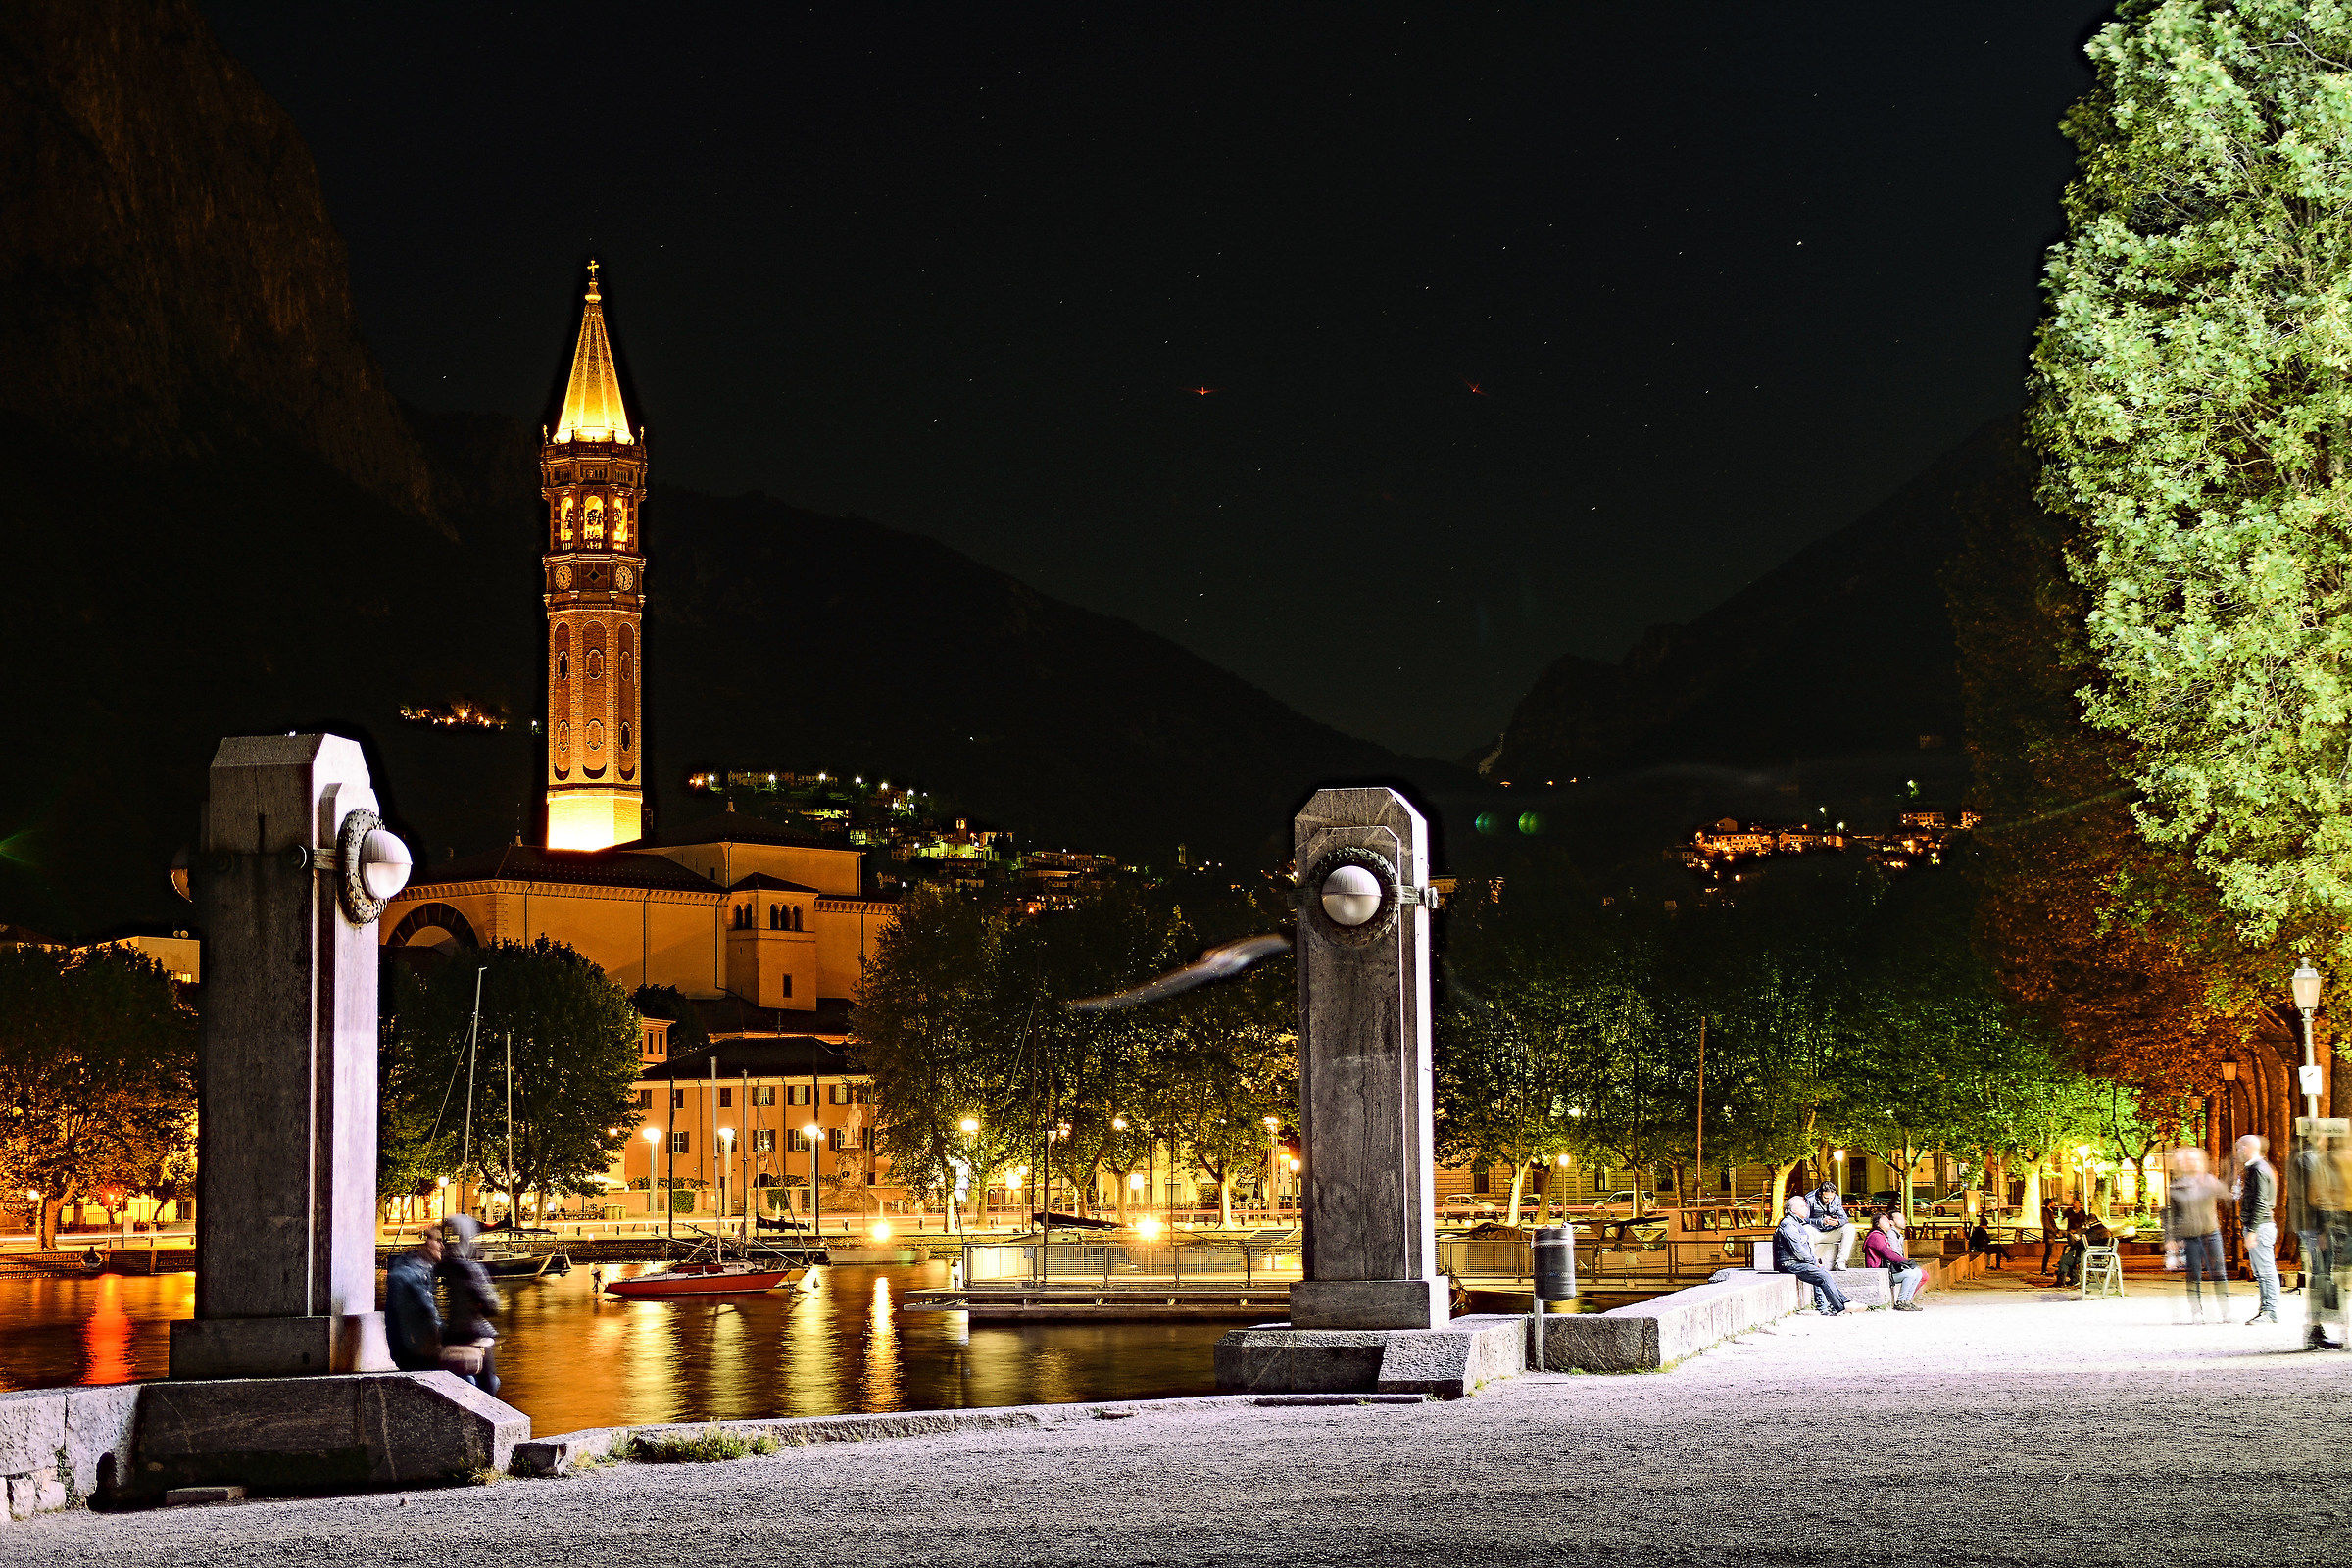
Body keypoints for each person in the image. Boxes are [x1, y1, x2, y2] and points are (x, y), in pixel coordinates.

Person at [437, 1216, 504, 1396]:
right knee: (490, 1382)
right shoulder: (472, 1269)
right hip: (474, 1333)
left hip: (451, 1335)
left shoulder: (444, 1266)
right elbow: (493, 1306)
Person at [2167, 1147, 2231, 1323]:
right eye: (2189, 1160)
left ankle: (2226, 1311)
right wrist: (2171, 1238)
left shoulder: (2209, 1181)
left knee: (2219, 1273)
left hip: (2211, 1232)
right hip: (2190, 1236)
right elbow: (2172, 1215)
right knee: (2193, 1274)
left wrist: (2226, 1174)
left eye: (2195, 1159)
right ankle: (2197, 1312)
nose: (2192, 1163)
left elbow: (2227, 1195)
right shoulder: (2176, 1185)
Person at [2286, 1131, 2338, 1349]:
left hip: (2308, 1224)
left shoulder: (2300, 1159)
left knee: (2319, 1276)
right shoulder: (2310, 1159)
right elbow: (2316, 1195)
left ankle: (2316, 1329)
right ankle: (2315, 1329)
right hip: (2314, 1226)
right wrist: (2323, 1228)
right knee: (2320, 1276)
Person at [1776, 1195, 1849, 1316]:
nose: (1806, 1208)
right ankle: (1841, 1307)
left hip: (1797, 1262)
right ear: (1793, 1210)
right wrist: (1813, 1262)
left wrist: (1815, 1260)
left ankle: (1839, 1304)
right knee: (1822, 1276)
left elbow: (1806, 1248)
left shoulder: (1797, 1223)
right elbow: (1798, 1250)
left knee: (1823, 1274)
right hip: (1790, 1263)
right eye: (1802, 1206)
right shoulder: (1788, 1224)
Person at [384, 1223, 444, 1373]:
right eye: (438, 1240)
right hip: (415, 1352)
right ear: (425, 1243)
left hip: (412, 1349)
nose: (442, 1246)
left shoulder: (421, 1269)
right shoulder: (413, 1274)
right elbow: (427, 1312)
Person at [2234, 1134, 2280, 1326]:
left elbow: (2261, 1201)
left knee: (2265, 1270)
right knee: (2261, 1270)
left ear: (2246, 1148)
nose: (2236, 1152)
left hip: (2260, 1226)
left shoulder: (2258, 1169)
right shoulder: (2259, 1168)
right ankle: (2266, 1310)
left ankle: (2269, 1312)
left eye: (2238, 1148)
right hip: (2260, 1225)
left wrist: (2252, 1229)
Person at [1865, 1212, 1925, 1311]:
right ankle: (1901, 1302)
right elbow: (1888, 1254)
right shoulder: (1875, 1236)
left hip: (1886, 1271)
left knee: (1917, 1272)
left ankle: (1907, 1301)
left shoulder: (1882, 1236)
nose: (1888, 1222)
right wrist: (1906, 1262)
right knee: (1910, 1274)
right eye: (1884, 1220)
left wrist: (1907, 1263)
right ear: (1877, 1223)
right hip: (1879, 1272)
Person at [1806, 1176, 1858, 1271]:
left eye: (1831, 1197)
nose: (1829, 1200)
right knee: (1806, 1229)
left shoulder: (1836, 1199)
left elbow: (1844, 1218)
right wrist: (1821, 1222)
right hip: (1815, 1232)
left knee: (1849, 1228)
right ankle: (1813, 1261)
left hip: (1831, 1231)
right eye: (1826, 1197)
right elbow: (1804, 1220)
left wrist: (1837, 1222)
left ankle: (1841, 1261)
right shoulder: (1809, 1199)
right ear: (1820, 1193)